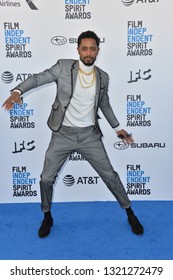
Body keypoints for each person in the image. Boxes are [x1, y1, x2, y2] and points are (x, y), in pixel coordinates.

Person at [2, 30, 144, 238]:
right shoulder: (63, 67)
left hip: (90, 136)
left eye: (92, 49)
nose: (88, 52)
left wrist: (117, 127)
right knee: (46, 179)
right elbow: (38, 78)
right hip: (63, 135)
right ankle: (47, 215)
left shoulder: (103, 77)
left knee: (110, 176)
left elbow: (103, 103)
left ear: (97, 51)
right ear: (78, 49)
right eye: (84, 48)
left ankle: (130, 212)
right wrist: (17, 91)